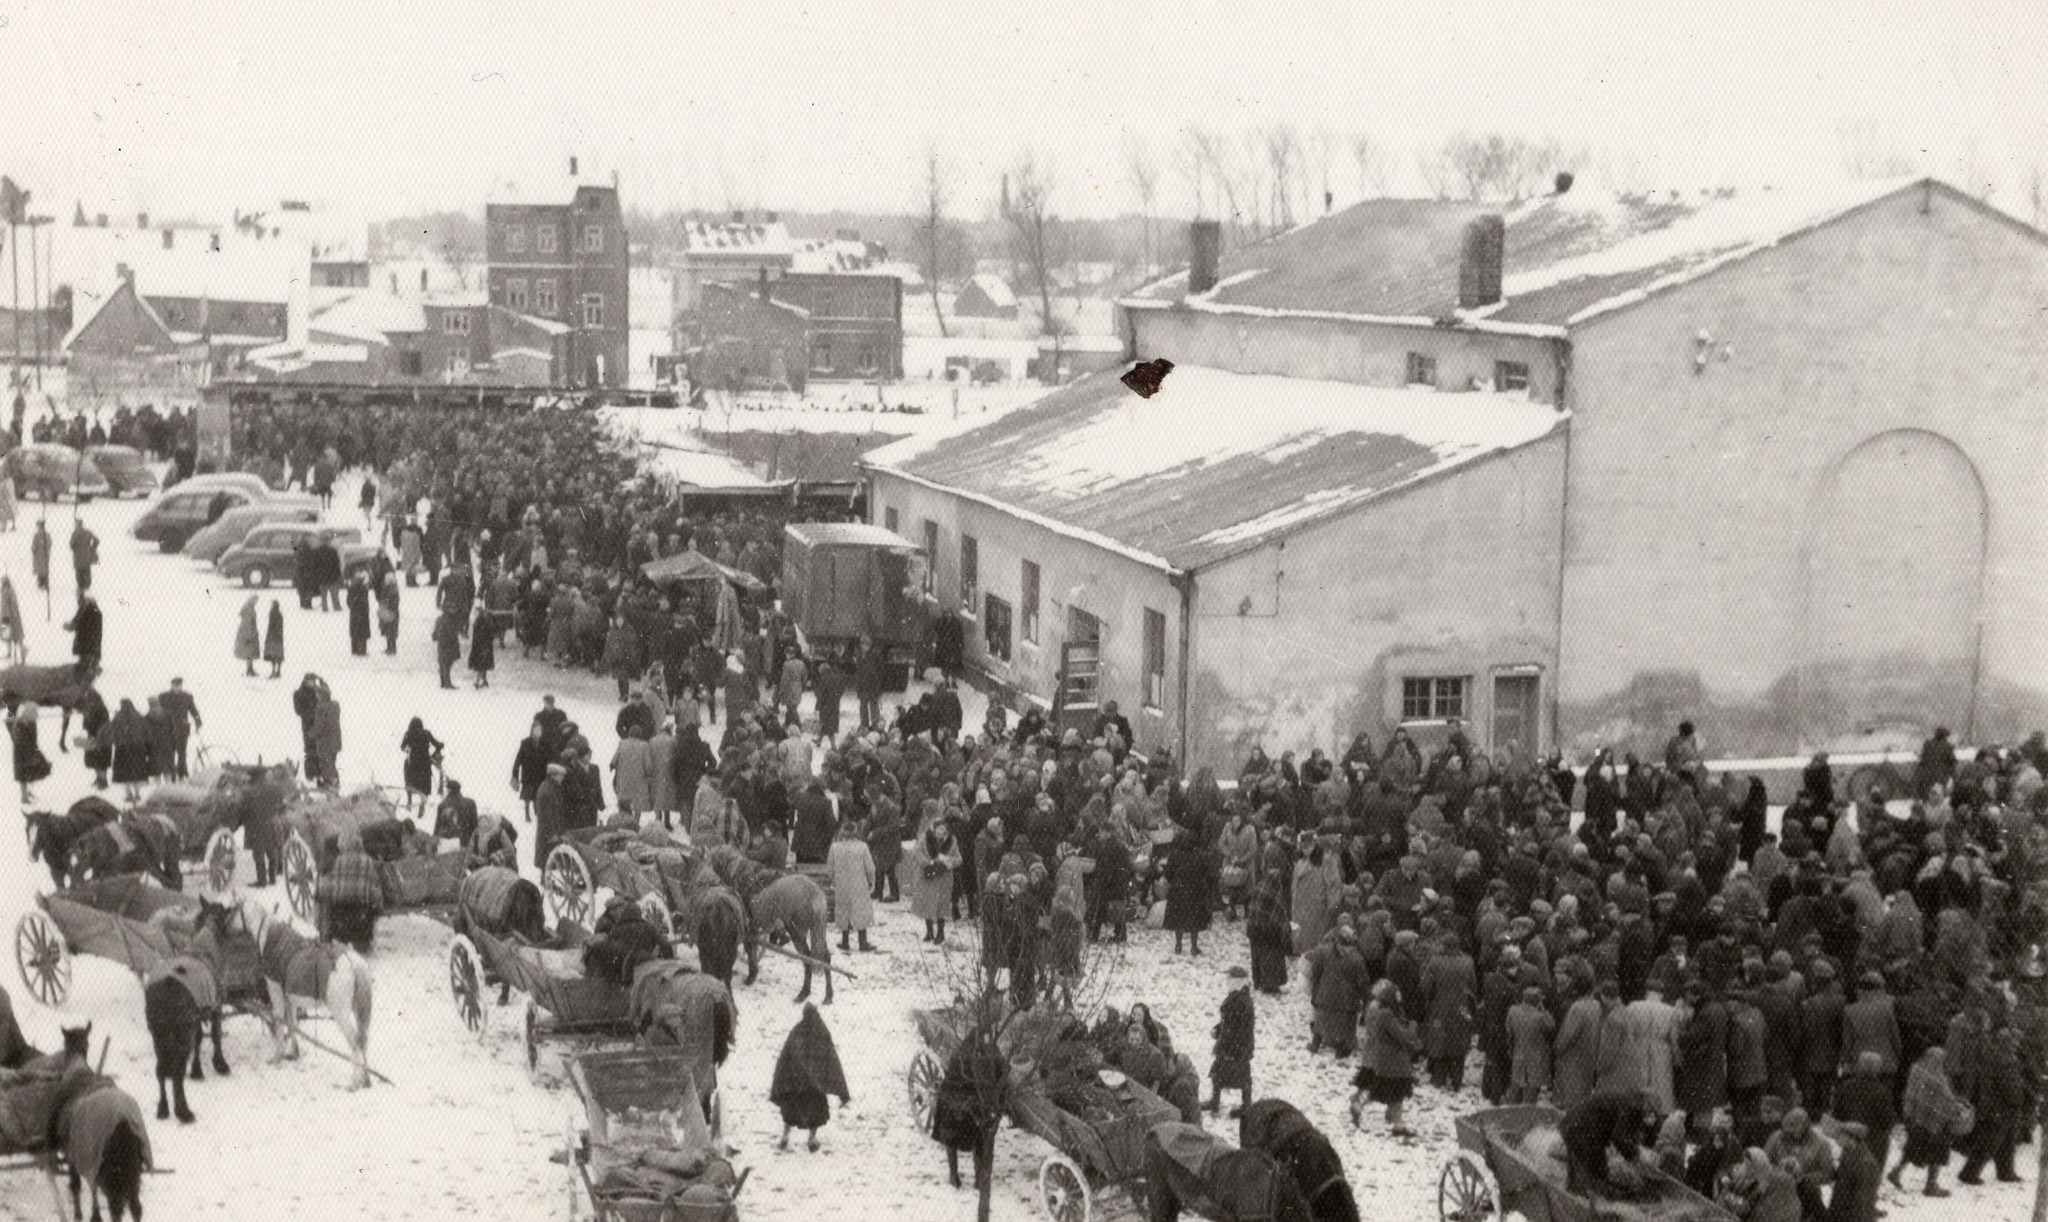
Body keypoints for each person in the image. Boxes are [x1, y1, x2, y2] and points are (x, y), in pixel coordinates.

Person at [770, 1003, 850, 1153]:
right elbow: (832, 1058)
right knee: (816, 1113)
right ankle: (812, 1139)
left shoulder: (796, 1031)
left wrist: (782, 1081)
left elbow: (785, 1057)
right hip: (815, 1086)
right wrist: (842, 1091)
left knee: (790, 1112)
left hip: (795, 1085)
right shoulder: (822, 1032)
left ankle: (785, 1136)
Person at [1353, 979, 1420, 1137]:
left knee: (1391, 1093)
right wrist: (1413, 1026)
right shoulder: (1387, 1015)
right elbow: (1401, 1036)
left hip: (1386, 1061)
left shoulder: (1380, 1011)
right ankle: (1395, 1123)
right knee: (1394, 1092)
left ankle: (1397, 1124)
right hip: (1395, 1062)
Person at [1559, 1089, 1654, 1196]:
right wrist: (1634, 1157)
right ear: (1646, 1104)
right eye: (1650, 1112)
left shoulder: (1627, 1100)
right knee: (1596, 1173)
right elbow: (1619, 1138)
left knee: (1583, 1168)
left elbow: (1622, 1133)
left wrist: (1633, 1149)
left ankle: (1574, 1190)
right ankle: (1584, 1198)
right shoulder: (1631, 1107)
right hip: (1582, 1129)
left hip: (1574, 1124)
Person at [827, 820, 877, 953]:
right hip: (859, 883)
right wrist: (872, 881)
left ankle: (845, 941)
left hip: (842, 884)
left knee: (844, 910)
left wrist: (833, 880)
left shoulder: (835, 847)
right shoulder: (862, 847)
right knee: (860, 909)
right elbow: (870, 867)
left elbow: (830, 868)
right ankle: (862, 942)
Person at [1206, 985, 1255, 1117]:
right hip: (1238, 1049)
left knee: (1238, 1076)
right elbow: (1228, 1023)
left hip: (1236, 1050)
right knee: (1222, 1074)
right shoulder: (1239, 1000)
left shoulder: (1240, 1004)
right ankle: (1215, 1102)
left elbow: (1234, 1026)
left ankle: (1245, 1106)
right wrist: (1218, 1029)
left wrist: (1224, 1042)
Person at [7, 694, 48, 804]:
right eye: (34, 712)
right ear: (28, 712)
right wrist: (31, 752)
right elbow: (20, 740)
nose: (36, 714)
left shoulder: (31, 723)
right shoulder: (20, 724)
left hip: (29, 750)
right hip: (21, 752)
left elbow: (33, 739)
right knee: (23, 775)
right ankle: (24, 797)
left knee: (31, 772)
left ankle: (27, 793)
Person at [157, 678, 201, 780]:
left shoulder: (187, 697)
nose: (177, 687)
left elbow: (194, 711)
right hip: (168, 729)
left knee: (182, 753)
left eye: (179, 685)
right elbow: (158, 711)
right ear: (171, 685)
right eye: (175, 685)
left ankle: (182, 774)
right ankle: (172, 776)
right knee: (170, 753)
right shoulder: (163, 697)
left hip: (182, 729)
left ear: (181, 685)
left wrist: (198, 723)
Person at [400, 717, 443, 817]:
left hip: (412, 764)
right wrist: (441, 745)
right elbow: (437, 744)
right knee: (425, 786)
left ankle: (409, 802)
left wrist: (408, 748)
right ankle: (422, 805)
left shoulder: (408, 733)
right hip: (425, 764)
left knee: (409, 782)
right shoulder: (427, 733)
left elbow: (402, 747)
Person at [511, 721, 551, 822]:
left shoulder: (544, 744)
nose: (539, 732)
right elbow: (518, 760)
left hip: (540, 774)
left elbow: (547, 760)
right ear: (532, 731)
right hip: (528, 774)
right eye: (536, 730)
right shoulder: (525, 743)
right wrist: (515, 774)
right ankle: (527, 813)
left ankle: (537, 812)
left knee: (537, 795)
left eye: (540, 730)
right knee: (527, 796)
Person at [65, 594, 102, 677]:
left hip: (84, 646)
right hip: (95, 648)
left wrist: (66, 626)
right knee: (89, 668)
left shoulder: (83, 611)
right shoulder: (98, 613)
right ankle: (92, 671)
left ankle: (83, 681)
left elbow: (72, 626)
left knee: (83, 669)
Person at [233, 596, 261, 677]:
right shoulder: (249, 609)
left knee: (249, 653)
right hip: (249, 633)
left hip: (247, 633)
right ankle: (249, 670)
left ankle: (250, 669)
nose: (256, 602)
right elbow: (248, 623)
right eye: (256, 600)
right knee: (249, 652)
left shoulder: (248, 608)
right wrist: (250, 635)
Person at [345, 571, 372, 656]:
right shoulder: (363, 588)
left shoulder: (351, 588)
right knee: (362, 633)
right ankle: (362, 650)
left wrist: (352, 606)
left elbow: (348, 601)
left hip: (354, 613)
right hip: (363, 612)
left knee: (354, 632)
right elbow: (365, 600)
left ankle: (354, 649)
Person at [467, 607, 495, 688]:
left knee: (480, 665)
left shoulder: (478, 621)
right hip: (486, 646)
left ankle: (478, 681)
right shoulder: (486, 621)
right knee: (483, 664)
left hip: (478, 646)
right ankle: (483, 680)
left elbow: (476, 635)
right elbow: (491, 634)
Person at [69, 520, 98, 593]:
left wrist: (75, 549)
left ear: (76, 525)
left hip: (78, 556)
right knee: (87, 570)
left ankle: (81, 586)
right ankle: (87, 585)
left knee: (79, 571)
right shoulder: (87, 532)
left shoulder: (75, 533)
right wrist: (92, 547)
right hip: (87, 555)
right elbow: (96, 540)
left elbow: (71, 545)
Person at [263, 599, 285, 679]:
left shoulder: (272, 613)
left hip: (272, 636)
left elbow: (270, 625)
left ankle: (273, 671)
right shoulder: (279, 614)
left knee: (272, 654)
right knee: (279, 654)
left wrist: (268, 636)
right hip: (279, 637)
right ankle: (278, 671)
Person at [29, 519, 50, 593]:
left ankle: (40, 585)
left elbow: (33, 546)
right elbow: (50, 544)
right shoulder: (47, 535)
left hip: (38, 556)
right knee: (45, 570)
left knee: (39, 571)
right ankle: (45, 583)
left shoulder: (36, 535)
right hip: (45, 556)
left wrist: (34, 550)